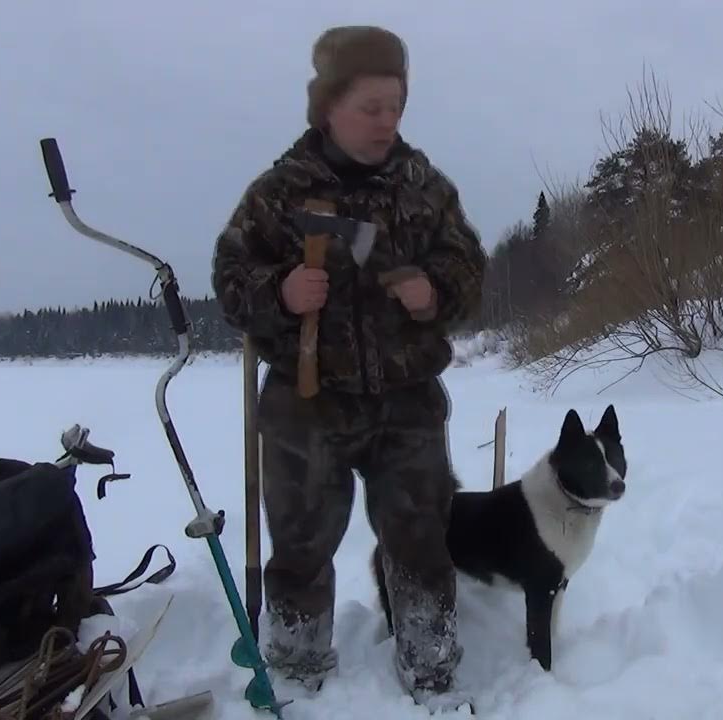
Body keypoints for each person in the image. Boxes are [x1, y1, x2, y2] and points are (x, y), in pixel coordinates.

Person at [209, 25, 487, 711]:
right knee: (300, 544)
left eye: (396, 105)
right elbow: (229, 277)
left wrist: (436, 290)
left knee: (420, 538)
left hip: (407, 400)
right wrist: (278, 293)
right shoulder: (280, 192)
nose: (387, 121)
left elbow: (467, 270)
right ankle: (299, 670)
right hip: (308, 403)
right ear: (329, 106)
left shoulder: (424, 187)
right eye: (371, 106)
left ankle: (430, 669)